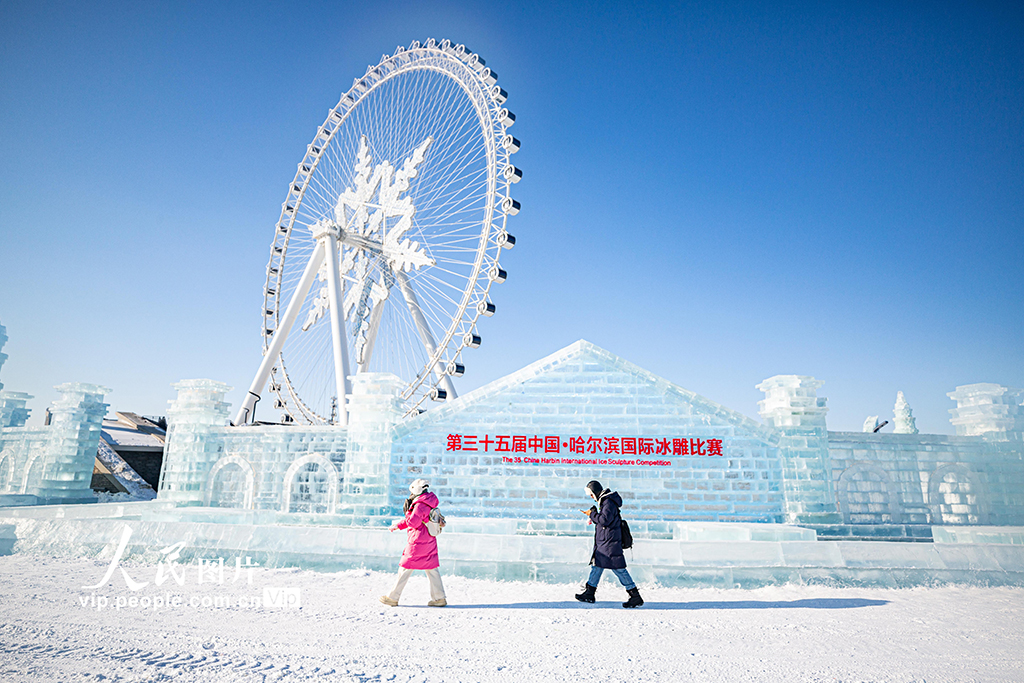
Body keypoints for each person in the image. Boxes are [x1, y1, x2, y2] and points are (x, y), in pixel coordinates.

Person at [574, 479, 644, 608]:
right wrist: (594, 514)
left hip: (610, 543)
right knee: (597, 567)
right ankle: (589, 593)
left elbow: (604, 520)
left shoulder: (608, 502)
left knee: (619, 570)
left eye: (591, 494)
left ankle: (635, 596)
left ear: (595, 492)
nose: (591, 497)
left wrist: (592, 514)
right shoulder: (606, 502)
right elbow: (604, 519)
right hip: (605, 543)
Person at [379, 479, 447, 607]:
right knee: (432, 569)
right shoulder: (430, 502)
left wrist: (407, 512)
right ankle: (439, 598)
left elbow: (413, 522)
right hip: (429, 540)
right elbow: (418, 519)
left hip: (418, 541)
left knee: (405, 567)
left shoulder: (420, 504)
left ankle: (392, 597)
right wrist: (398, 526)